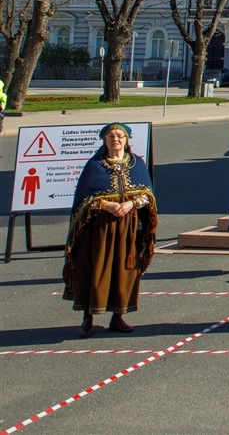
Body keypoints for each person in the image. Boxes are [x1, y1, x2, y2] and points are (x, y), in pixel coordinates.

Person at [64, 122, 157, 337]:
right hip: (99, 229)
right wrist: (107, 205)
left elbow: (148, 195)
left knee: (123, 271)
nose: (115, 139)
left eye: (120, 136)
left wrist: (131, 204)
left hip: (128, 227)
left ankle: (118, 316)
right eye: (111, 136)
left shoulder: (137, 164)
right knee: (96, 269)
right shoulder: (94, 166)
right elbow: (83, 200)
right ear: (104, 140)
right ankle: (88, 316)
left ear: (127, 140)